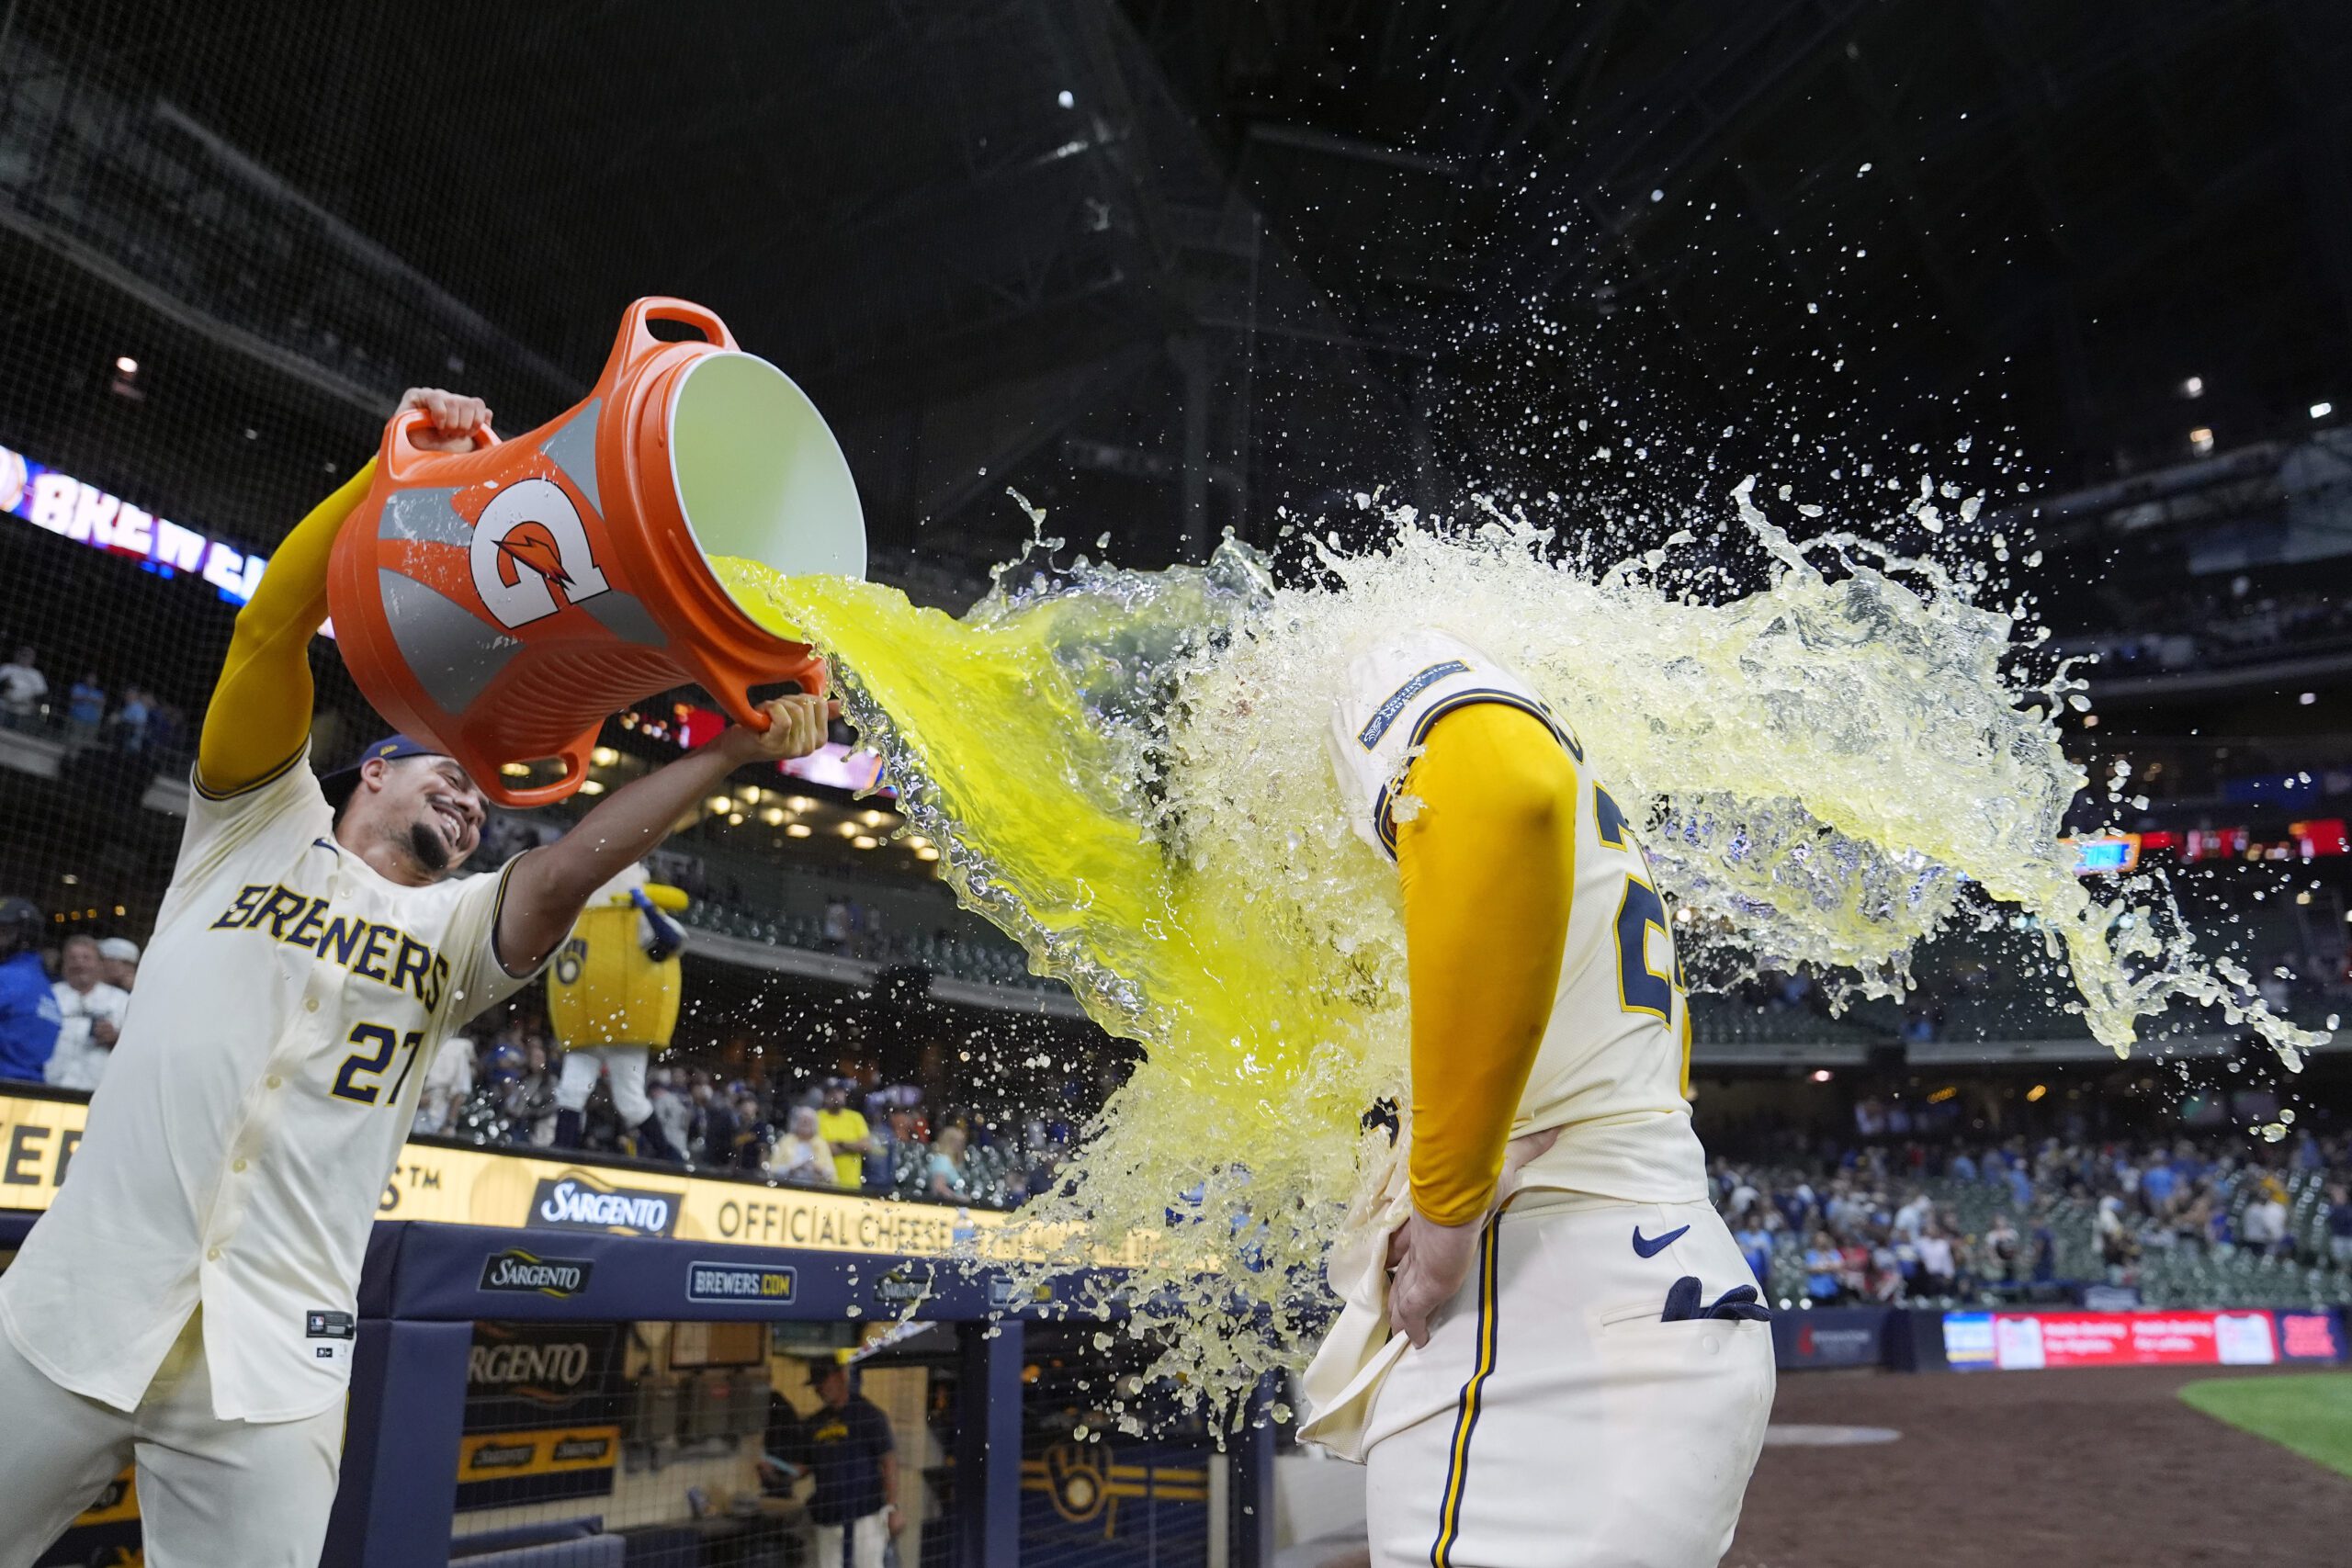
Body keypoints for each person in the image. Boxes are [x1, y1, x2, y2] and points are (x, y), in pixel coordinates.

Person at [0, 388, 835, 1568]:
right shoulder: (247, 828)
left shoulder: (455, 929)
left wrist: (731, 755)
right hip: (66, 1316)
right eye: (443, 774)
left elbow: (557, 877)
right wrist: (390, 474)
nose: (468, 795)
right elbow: (269, 632)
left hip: (274, 1367)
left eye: (483, 802)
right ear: (369, 776)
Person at [1295, 631, 1772, 1568]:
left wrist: (1445, 1203)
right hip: (1635, 1275)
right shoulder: (1544, 725)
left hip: (1545, 1297)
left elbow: (1501, 786)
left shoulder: (1369, 659)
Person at [545, 858, 690, 1163]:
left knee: (630, 1102)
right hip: (587, 1019)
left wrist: (646, 907)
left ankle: (670, 1156)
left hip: (627, 1025)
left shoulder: (643, 918)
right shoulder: (581, 918)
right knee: (570, 1090)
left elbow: (670, 941)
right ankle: (559, 1155)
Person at [791, 1358, 900, 1568]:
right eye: (816, 1384)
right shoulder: (814, 1423)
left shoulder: (868, 1414)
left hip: (865, 1515)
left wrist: (892, 1507)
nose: (820, 1389)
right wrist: (777, 1471)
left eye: (824, 1381)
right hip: (827, 1518)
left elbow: (889, 1461)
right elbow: (803, 1467)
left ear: (842, 1376)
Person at [43, 934, 130, 1092]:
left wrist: (115, 1039)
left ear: (99, 964)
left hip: (99, 1091)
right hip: (49, 1086)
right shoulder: (49, 996)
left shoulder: (121, 1001)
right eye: (73, 958)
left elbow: (137, 1048)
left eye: (86, 958)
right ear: (63, 964)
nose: (79, 964)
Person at [0, 897, 61, 1082]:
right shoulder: (44, 988)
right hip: (30, 1092)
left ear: (26, 936)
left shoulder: (8, 978)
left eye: (2, 932)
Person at [817, 1077, 876, 1190]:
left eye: (839, 1091)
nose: (835, 1096)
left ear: (845, 1094)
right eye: (831, 1092)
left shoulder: (856, 1117)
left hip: (851, 1185)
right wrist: (852, 1146)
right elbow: (821, 1149)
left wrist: (840, 1143)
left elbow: (866, 1146)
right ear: (825, 1097)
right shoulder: (817, 1117)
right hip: (824, 1185)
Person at [413, 1032, 477, 1136]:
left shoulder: (438, 1043)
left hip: (428, 1100)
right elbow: (459, 1095)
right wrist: (450, 1124)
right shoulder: (460, 1052)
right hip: (435, 1103)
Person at [769, 1105, 834, 1185]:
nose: (805, 1123)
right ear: (796, 1122)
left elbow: (831, 1174)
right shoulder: (786, 1141)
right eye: (802, 1120)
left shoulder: (820, 1143)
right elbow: (772, 1169)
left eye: (808, 1121)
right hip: (787, 1187)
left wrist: (817, 1169)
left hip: (815, 1189)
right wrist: (791, 1169)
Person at [0, 646, 47, 729]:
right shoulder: (6, 668)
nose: (26, 658)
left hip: (24, 711)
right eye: (24, 655)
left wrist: (40, 712)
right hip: (3, 707)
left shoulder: (36, 674)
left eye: (29, 656)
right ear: (17, 655)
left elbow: (42, 695)